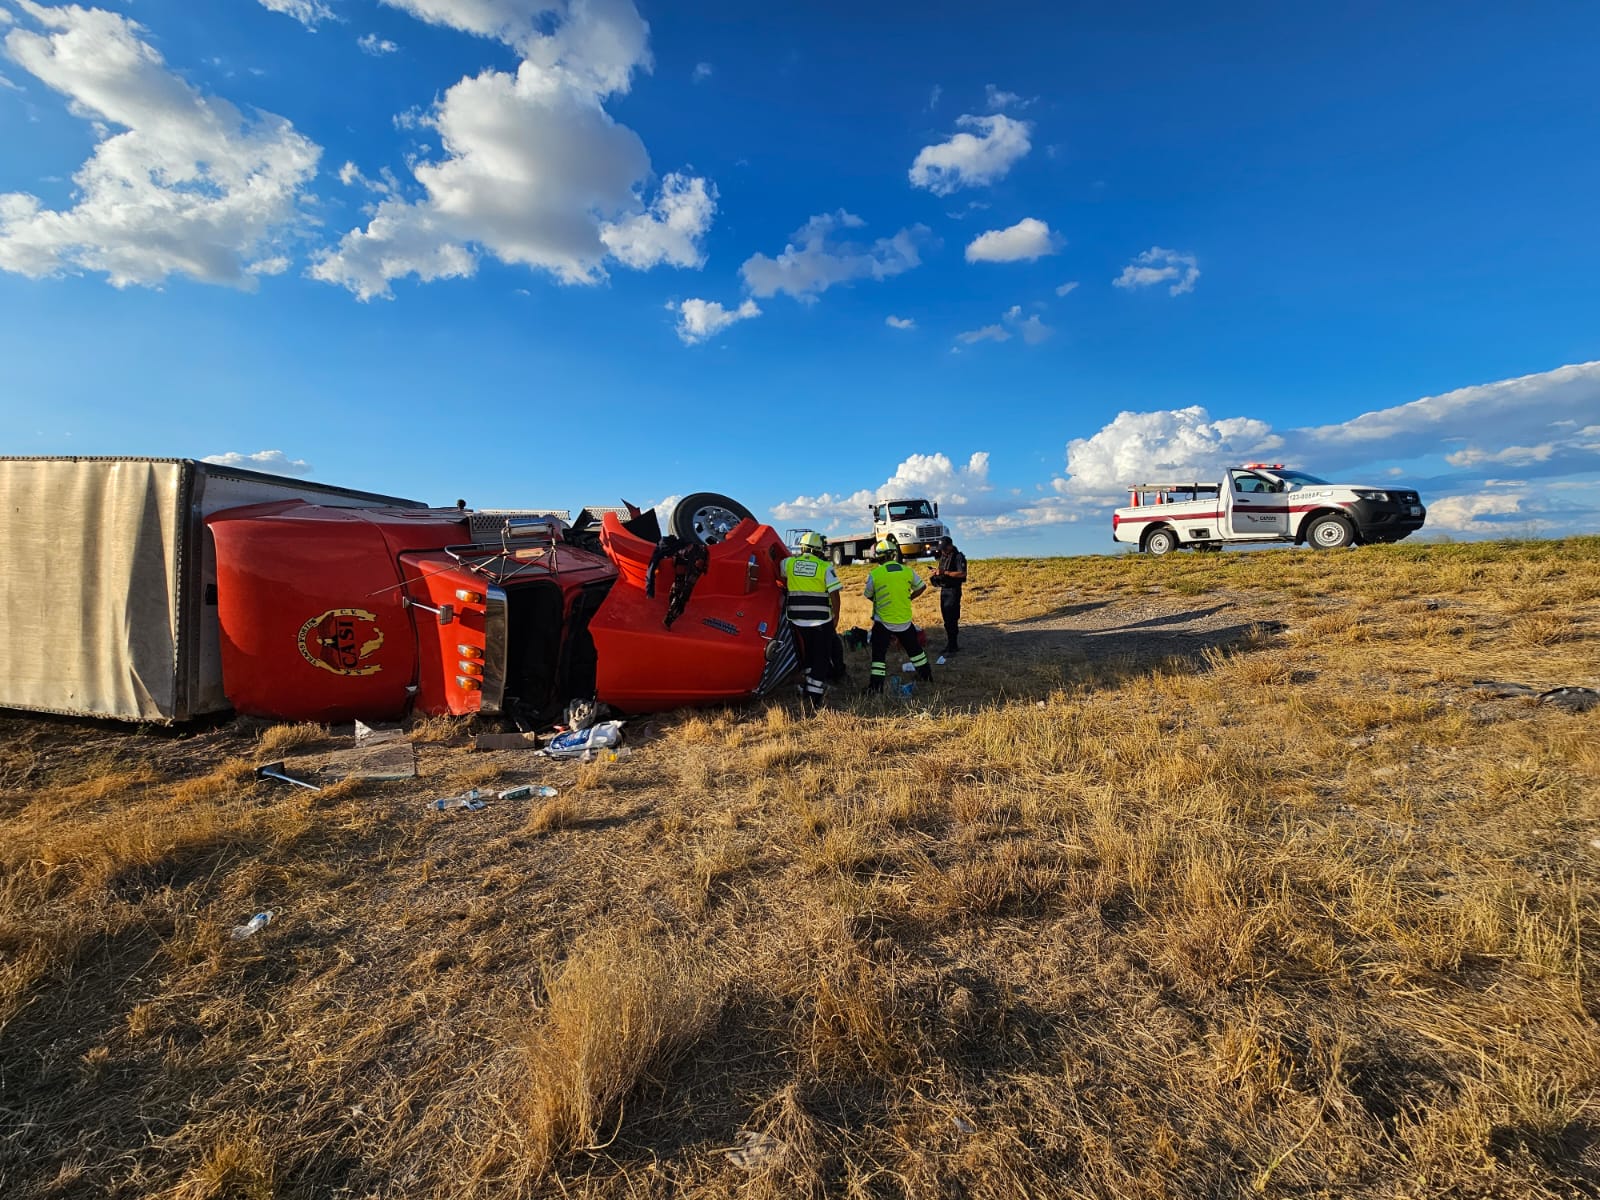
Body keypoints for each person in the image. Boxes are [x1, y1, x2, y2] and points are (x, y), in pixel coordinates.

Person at [778, 531, 843, 714]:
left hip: (797, 619)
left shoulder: (789, 563)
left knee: (806, 654)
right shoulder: (824, 567)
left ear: (803, 547)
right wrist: (836, 615)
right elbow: (834, 593)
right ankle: (815, 696)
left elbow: (780, 572)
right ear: (819, 550)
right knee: (821, 657)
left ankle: (805, 687)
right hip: (821, 620)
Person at [863, 538, 931, 693]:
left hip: (883, 621)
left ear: (878, 556)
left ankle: (876, 687)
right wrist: (910, 597)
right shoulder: (907, 571)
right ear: (893, 555)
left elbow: (868, 594)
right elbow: (922, 586)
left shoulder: (875, 574)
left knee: (879, 656)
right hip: (904, 620)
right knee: (915, 651)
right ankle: (927, 675)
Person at [930, 535, 967, 654]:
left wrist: (945, 572)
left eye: (944, 548)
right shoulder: (943, 557)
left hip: (953, 590)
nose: (943, 551)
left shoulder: (958, 557)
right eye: (941, 549)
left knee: (952, 618)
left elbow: (962, 574)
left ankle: (953, 645)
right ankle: (950, 644)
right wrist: (936, 573)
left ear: (950, 546)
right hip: (944, 589)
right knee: (946, 619)